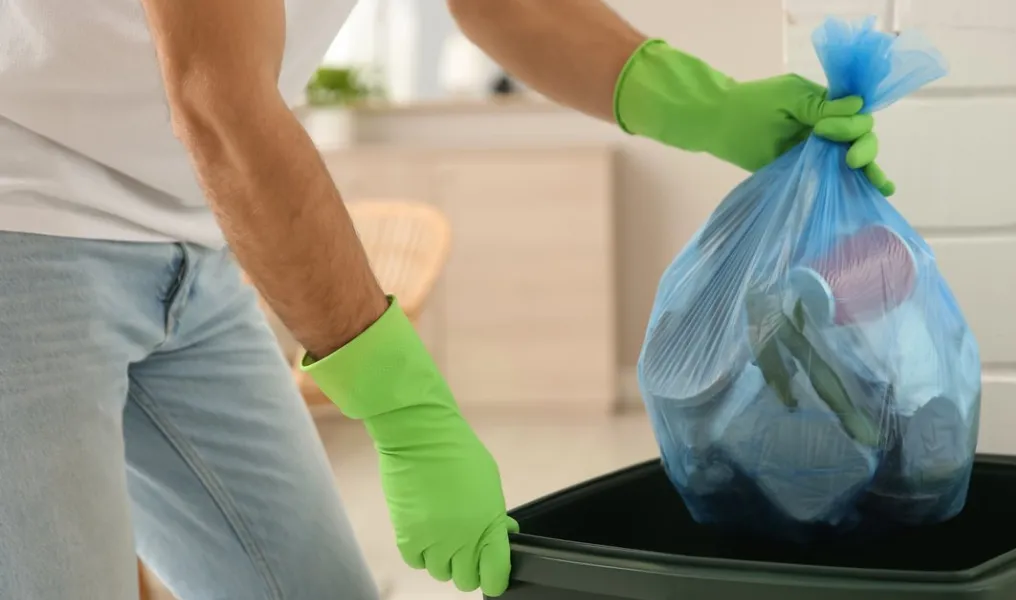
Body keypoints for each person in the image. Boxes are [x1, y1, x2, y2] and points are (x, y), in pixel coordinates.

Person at [0, 0, 890, 598]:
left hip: (191, 239)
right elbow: (217, 101)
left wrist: (702, 105)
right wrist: (404, 409)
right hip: (21, 228)